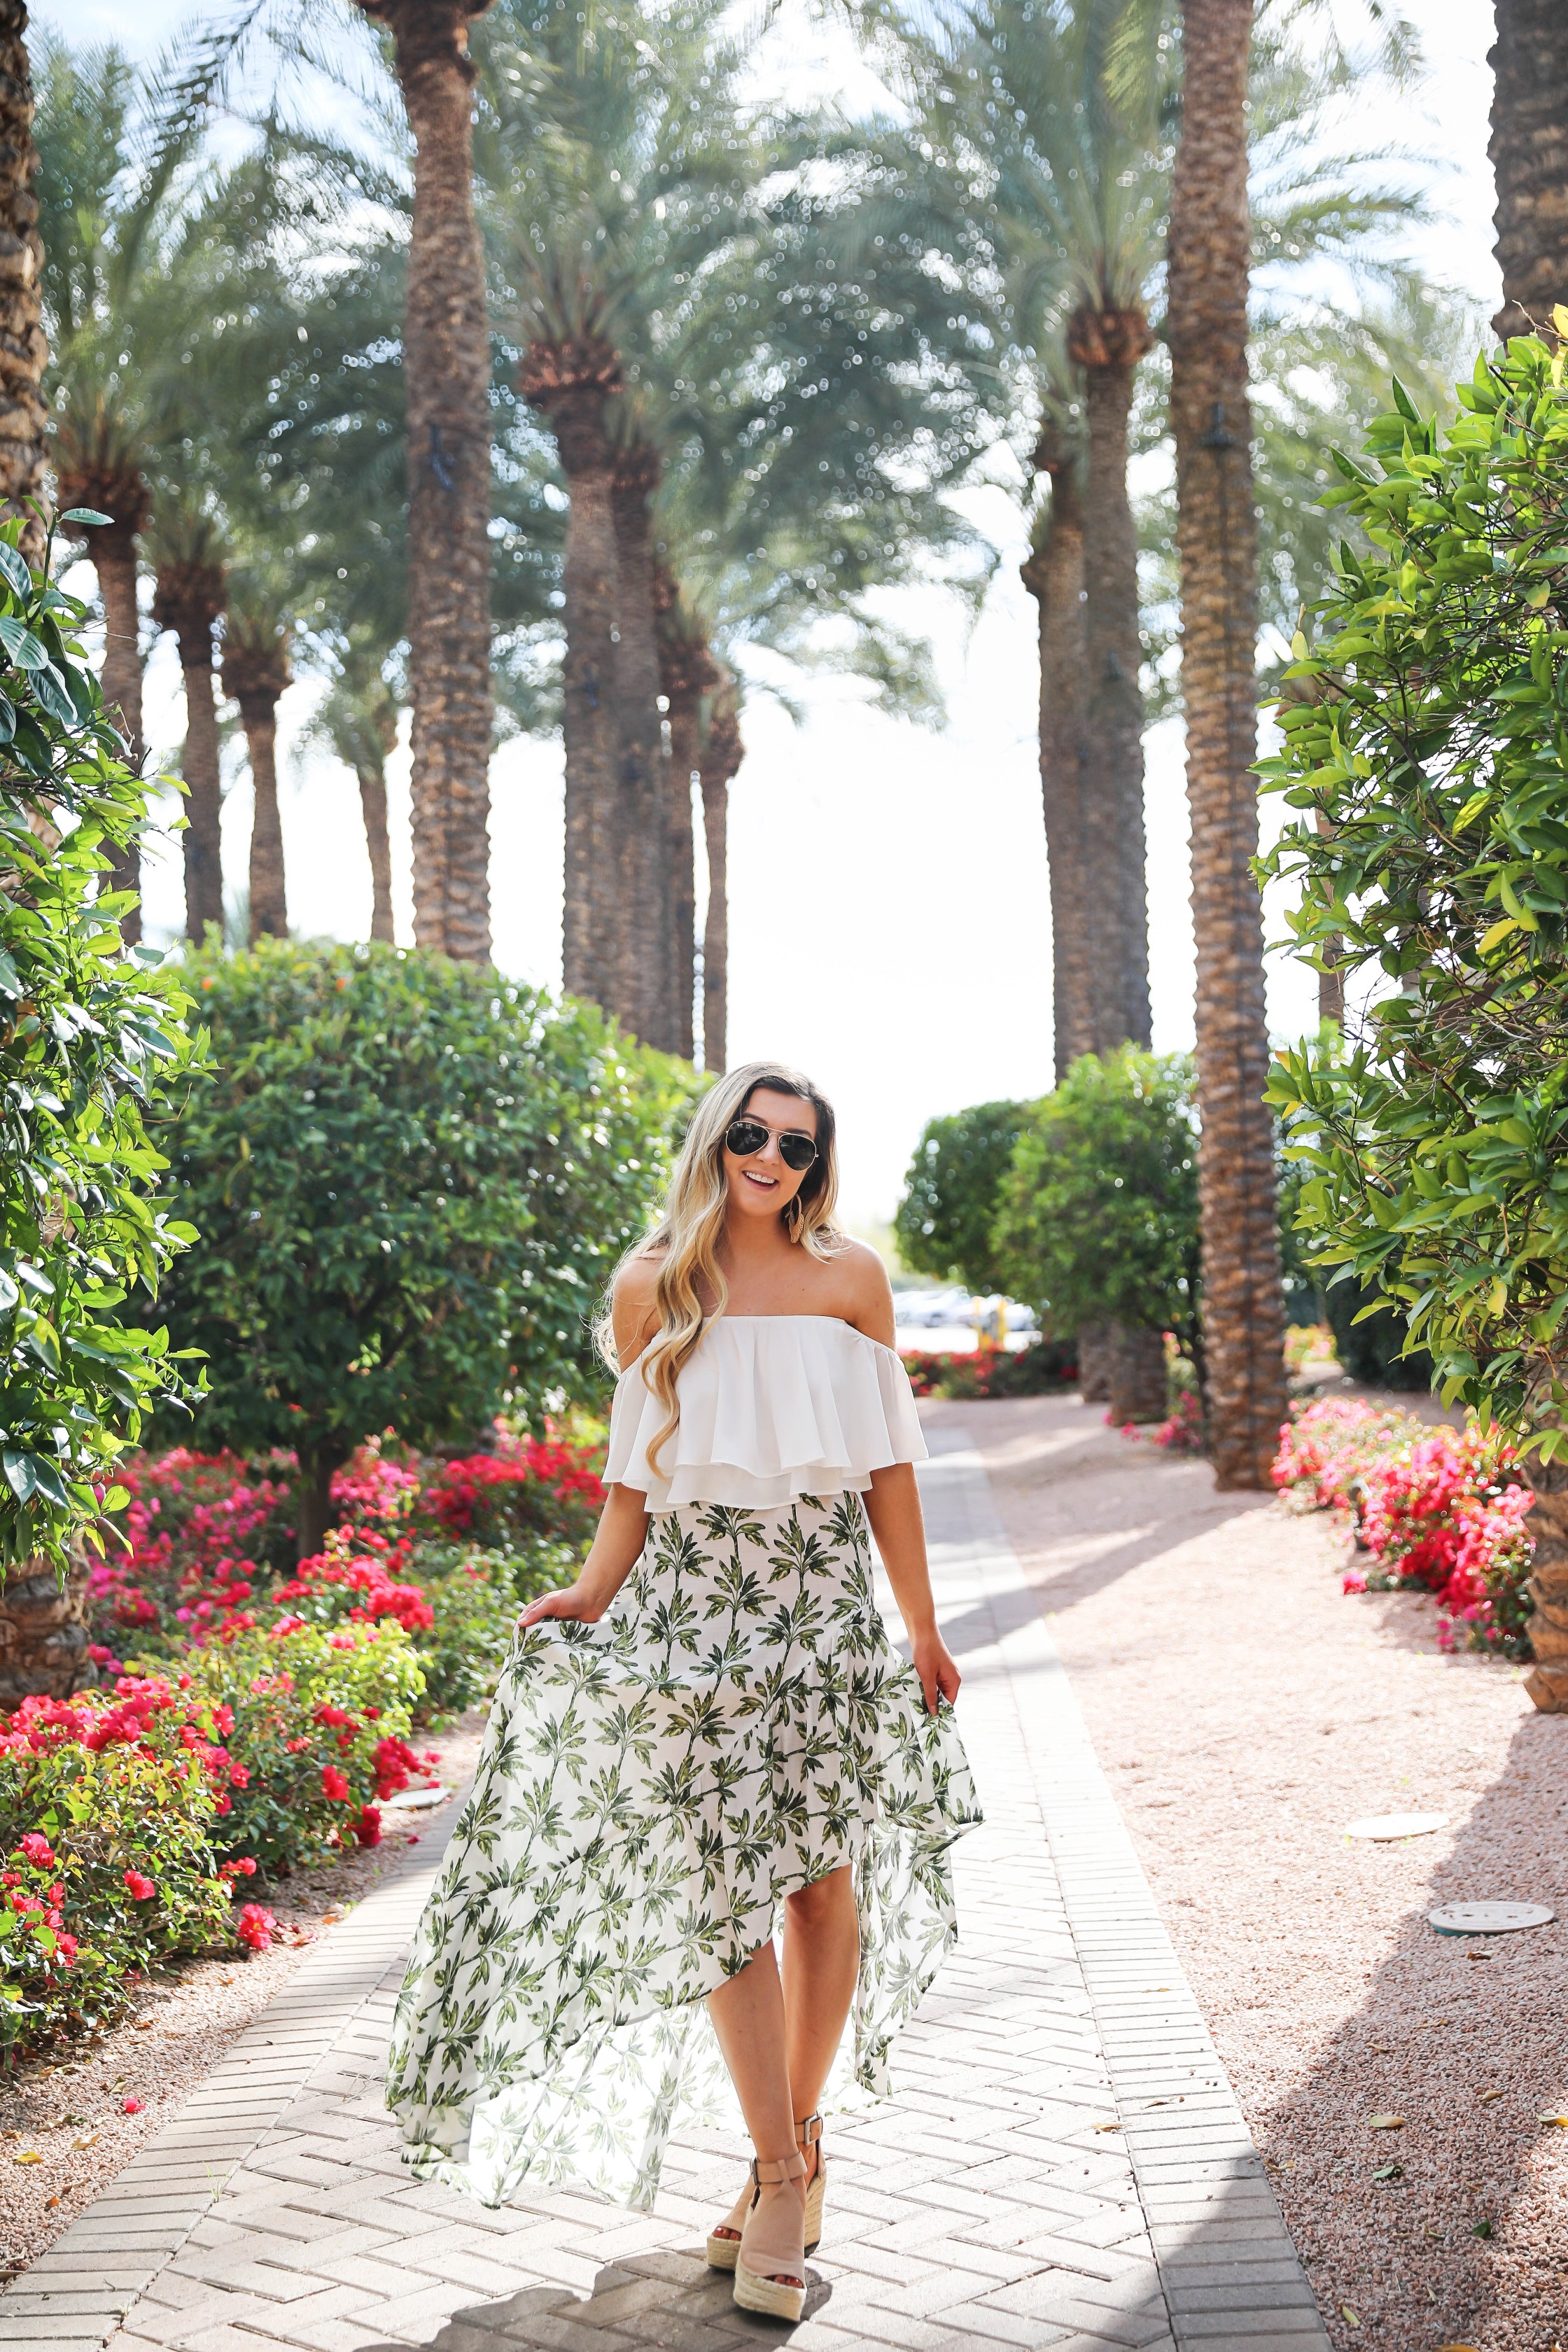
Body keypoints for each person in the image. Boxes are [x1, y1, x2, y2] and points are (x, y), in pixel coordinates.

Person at [386, 1060, 980, 2323]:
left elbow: (888, 1475)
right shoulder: (653, 1287)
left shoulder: (851, 1281)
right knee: (721, 1905)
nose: (774, 1160)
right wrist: (589, 1598)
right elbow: (634, 1479)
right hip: (689, 1624)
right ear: (718, 1140)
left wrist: (920, 1624)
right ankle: (775, 2177)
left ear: (819, 1167)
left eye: (800, 1148)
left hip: (819, 1616)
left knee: (824, 1890)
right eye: (756, 1136)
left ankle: (800, 2138)